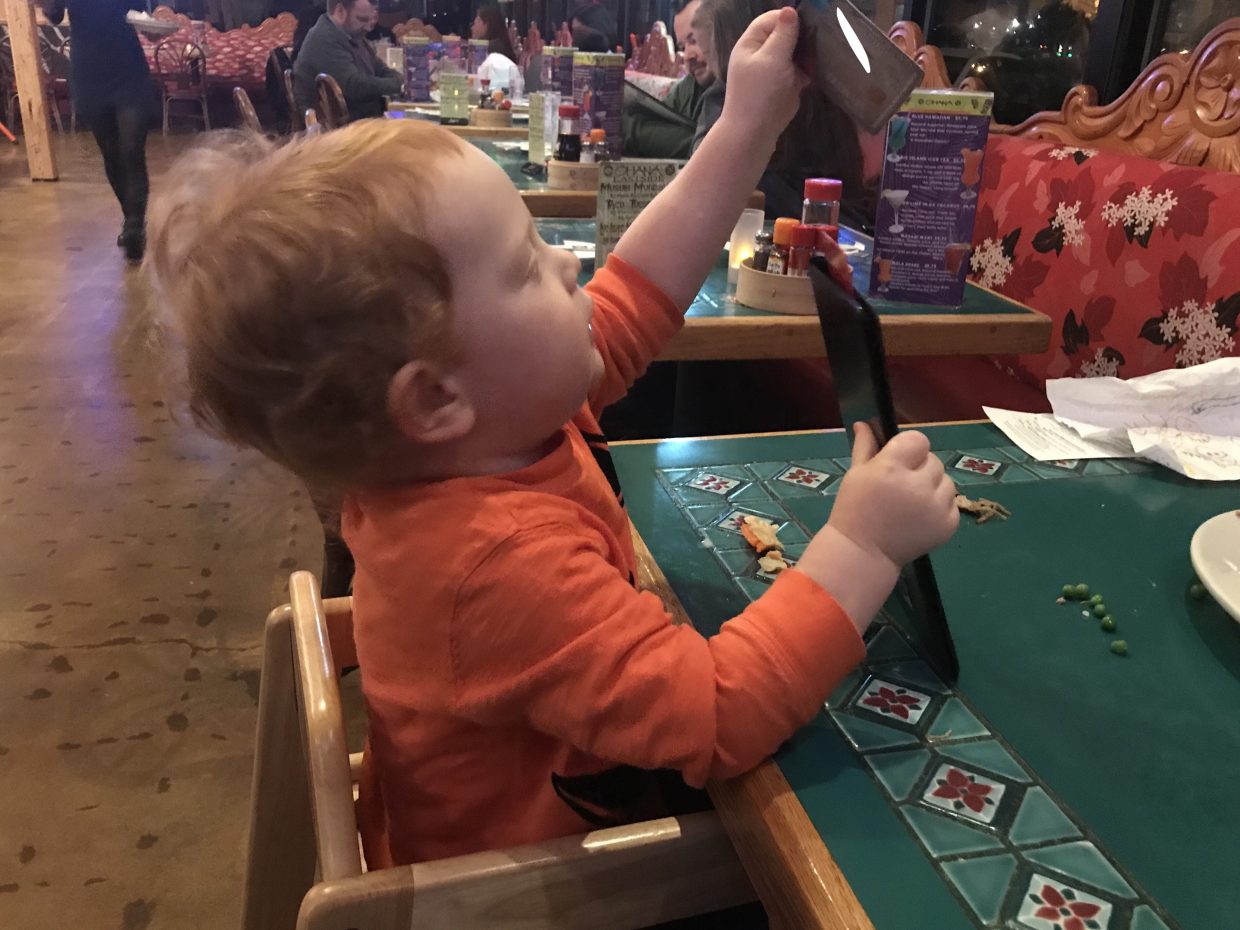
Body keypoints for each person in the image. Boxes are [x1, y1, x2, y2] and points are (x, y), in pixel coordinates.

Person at [147, 8, 958, 868]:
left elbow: (638, 292)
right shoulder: (496, 564)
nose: (569, 264)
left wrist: (747, 123)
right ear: (433, 397)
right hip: (532, 899)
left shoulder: (488, 425)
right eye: (526, 263)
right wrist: (862, 545)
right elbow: (718, 717)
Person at [692, 0, 872, 229]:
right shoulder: (821, 87)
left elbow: (704, 190)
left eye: (709, 52)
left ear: (727, 45)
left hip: (774, 232)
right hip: (845, 229)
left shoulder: (727, 98)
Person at [38, 0, 154, 262]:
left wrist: (153, 27)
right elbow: (55, 14)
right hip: (90, 74)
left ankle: (135, 224)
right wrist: (46, 4)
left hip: (129, 70)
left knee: (132, 149)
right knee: (111, 153)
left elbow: (143, 14)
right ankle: (131, 218)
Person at [622, 0, 713, 159]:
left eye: (694, 40)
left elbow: (711, 150)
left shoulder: (742, 89)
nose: (687, 55)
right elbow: (659, 122)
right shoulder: (688, 87)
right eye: (682, 47)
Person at [294, 0, 403, 121]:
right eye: (362, 19)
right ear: (340, 11)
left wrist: (400, 81)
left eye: (370, 20)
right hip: (338, 128)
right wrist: (400, 85)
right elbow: (353, 85)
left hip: (359, 121)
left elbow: (380, 69)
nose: (368, 27)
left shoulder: (352, 36)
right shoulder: (324, 38)